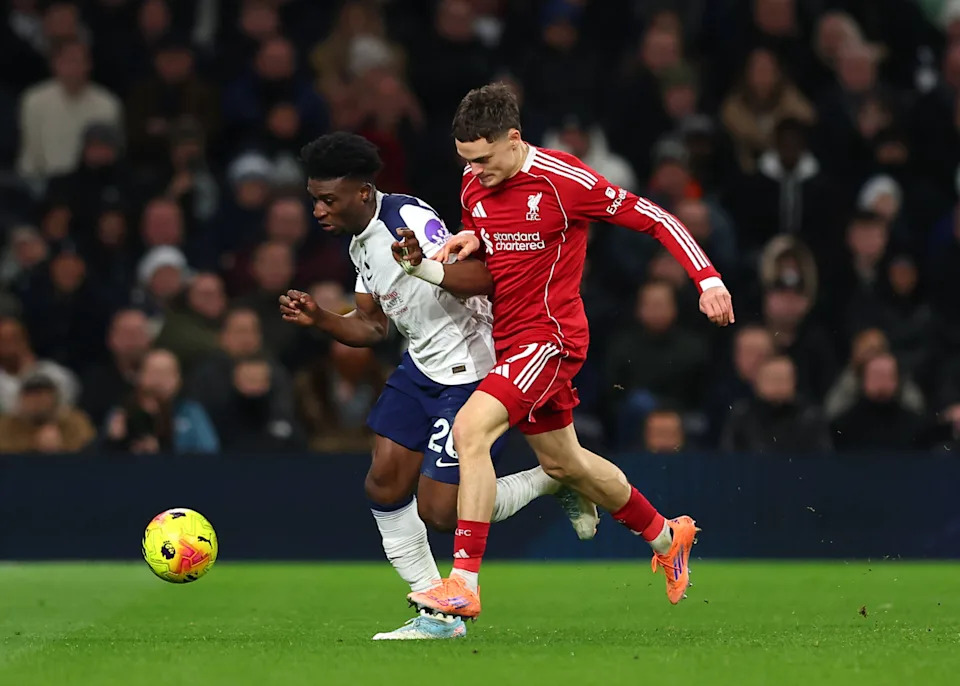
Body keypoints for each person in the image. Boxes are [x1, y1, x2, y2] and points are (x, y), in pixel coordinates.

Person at [399, 83, 734, 620]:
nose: (475, 171)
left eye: (484, 159)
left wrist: (707, 279)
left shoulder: (563, 180)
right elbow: (491, 228)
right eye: (467, 161)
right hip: (509, 337)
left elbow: (656, 217)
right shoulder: (474, 180)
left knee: (470, 430)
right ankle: (666, 536)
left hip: (550, 338)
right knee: (565, 463)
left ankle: (462, 582)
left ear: (514, 139)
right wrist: (472, 236)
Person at [279, 132, 597, 640]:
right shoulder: (360, 242)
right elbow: (373, 327)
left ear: (363, 191)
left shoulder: (406, 219)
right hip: (420, 368)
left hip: (469, 370)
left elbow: (482, 276)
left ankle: (552, 478)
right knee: (383, 482)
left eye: (328, 200)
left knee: (441, 511)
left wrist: (424, 264)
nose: (319, 210)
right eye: (315, 199)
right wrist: (321, 319)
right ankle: (438, 614)